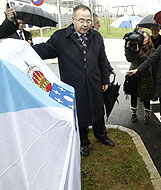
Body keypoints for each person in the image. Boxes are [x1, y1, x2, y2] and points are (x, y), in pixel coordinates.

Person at [33, 5, 114, 157]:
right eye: (81, 20)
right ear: (73, 20)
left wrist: (105, 79)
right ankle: (83, 143)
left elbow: (102, 60)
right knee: (80, 114)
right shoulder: (61, 37)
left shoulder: (96, 37)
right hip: (74, 86)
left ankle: (101, 135)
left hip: (94, 83)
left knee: (98, 111)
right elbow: (43, 50)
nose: (85, 24)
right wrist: (25, 47)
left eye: (88, 21)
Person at [124, 31, 155, 124]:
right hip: (133, 74)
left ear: (149, 39)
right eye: (142, 37)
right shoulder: (135, 46)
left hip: (145, 75)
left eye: (145, 38)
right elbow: (129, 59)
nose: (143, 39)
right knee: (134, 95)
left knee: (146, 96)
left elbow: (146, 61)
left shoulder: (152, 50)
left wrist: (138, 52)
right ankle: (133, 113)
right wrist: (128, 48)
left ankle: (147, 114)